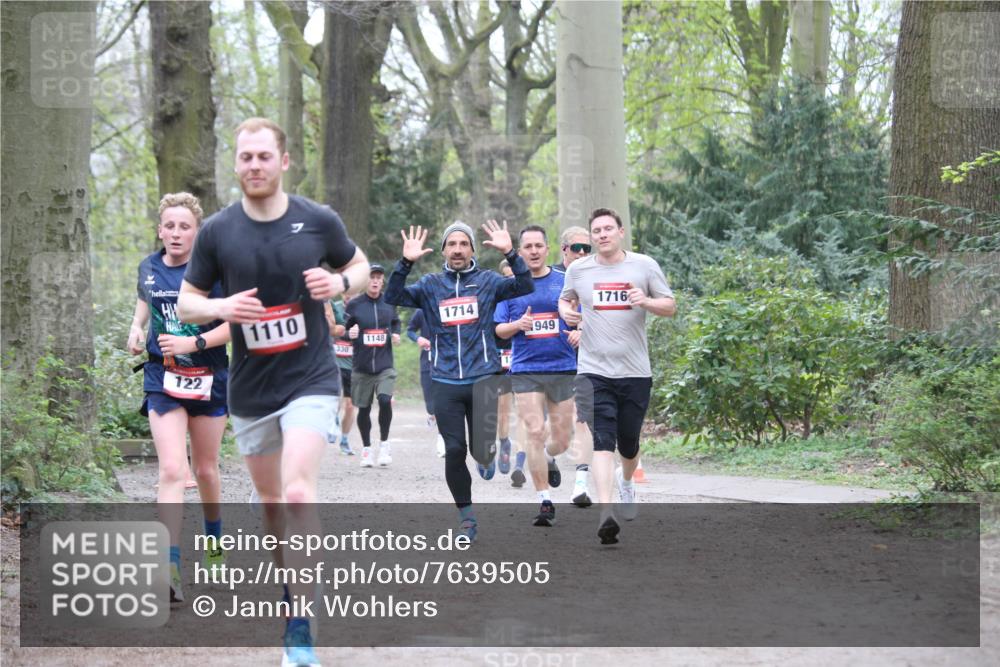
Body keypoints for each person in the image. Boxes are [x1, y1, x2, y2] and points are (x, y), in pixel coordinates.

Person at [178, 117, 370, 667]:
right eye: (246, 157)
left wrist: (339, 283)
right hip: (252, 390)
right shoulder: (218, 231)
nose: (255, 166)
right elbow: (188, 302)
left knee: (299, 493)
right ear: (236, 163)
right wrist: (222, 307)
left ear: (283, 161)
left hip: (311, 379)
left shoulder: (317, 220)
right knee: (272, 507)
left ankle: (300, 629)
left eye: (264, 156)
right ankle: (293, 595)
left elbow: (359, 266)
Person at [385, 221, 533, 541]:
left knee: (481, 451)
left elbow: (525, 285)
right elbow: (392, 295)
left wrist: (511, 252)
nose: (457, 249)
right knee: (454, 450)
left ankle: (486, 455)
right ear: (443, 251)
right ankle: (467, 519)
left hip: (483, 379)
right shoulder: (430, 285)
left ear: (472, 250)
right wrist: (405, 262)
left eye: (463, 244)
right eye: (451, 244)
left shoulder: (489, 281)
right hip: (445, 380)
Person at [127, 192, 230, 604]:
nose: (175, 233)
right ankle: (168, 568)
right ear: (159, 230)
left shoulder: (214, 272)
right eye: (169, 225)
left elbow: (235, 326)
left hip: (208, 376)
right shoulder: (149, 267)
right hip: (162, 377)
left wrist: (195, 342)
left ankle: (215, 545)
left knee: (205, 470)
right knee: (172, 469)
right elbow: (144, 305)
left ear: (196, 233)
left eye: (184, 226)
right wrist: (136, 329)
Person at [558, 207, 676, 545]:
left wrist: (645, 302)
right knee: (602, 440)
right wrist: (567, 313)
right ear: (592, 236)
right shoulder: (579, 270)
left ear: (621, 232)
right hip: (593, 371)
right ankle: (606, 513)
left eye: (608, 229)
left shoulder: (644, 265)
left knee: (628, 443)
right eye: (596, 231)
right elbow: (565, 302)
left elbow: (670, 306)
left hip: (635, 372)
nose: (602, 235)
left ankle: (627, 482)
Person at [495, 226, 578, 527]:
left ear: (547, 249)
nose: (533, 251)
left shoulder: (565, 281)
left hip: (563, 367)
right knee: (535, 432)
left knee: (562, 440)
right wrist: (518, 324)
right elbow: (498, 329)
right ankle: (545, 500)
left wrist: (580, 330)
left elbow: (584, 315)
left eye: (538, 246)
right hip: (526, 369)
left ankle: (551, 457)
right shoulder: (509, 287)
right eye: (527, 246)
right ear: (519, 252)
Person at [552, 225, 596, 506]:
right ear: (564, 249)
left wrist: (584, 328)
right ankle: (548, 455)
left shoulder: (597, 276)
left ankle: (581, 483)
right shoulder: (551, 278)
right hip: (554, 362)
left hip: (588, 360)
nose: (581, 253)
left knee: (583, 419)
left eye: (586, 248)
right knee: (559, 431)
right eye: (576, 248)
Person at [345, 264, 401, 467]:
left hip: (385, 364)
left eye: (379, 277)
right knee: (364, 408)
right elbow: (344, 329)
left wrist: (396, 334)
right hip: (362, 365)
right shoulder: (355, 305)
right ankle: (367, 449)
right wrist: (349, 333)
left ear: (382, 281)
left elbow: (395, 322)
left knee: (385, 400)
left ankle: (384, 445)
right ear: (366, 281)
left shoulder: (389, 302)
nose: (375, 281)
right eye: (372, 277)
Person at [406, 308, 447, 458]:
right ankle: (431, 415)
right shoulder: (421, 311)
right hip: (426, 364)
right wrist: (418, 339)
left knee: (443, 403)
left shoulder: (447, 308)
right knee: (431, 406)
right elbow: (410, 331)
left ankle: (442, 440)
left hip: (445, 364)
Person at [494, 260, 517, 480]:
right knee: (500, 408)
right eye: (507, 277)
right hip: (500, 356)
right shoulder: (497, 297)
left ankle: (507, 445)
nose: (511, 281)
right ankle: (502, 441)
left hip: (525, 357)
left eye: (514, 277)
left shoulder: (529, 294)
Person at [325, 295, 355, 455]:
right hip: (334, 362)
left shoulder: (363, 307)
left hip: (353, 365)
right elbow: (328, 328)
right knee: (334, 399)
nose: (349, 295)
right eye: (346, 292)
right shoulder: (333, 307)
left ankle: (344, 440)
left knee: (350, 405)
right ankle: (332, 422)